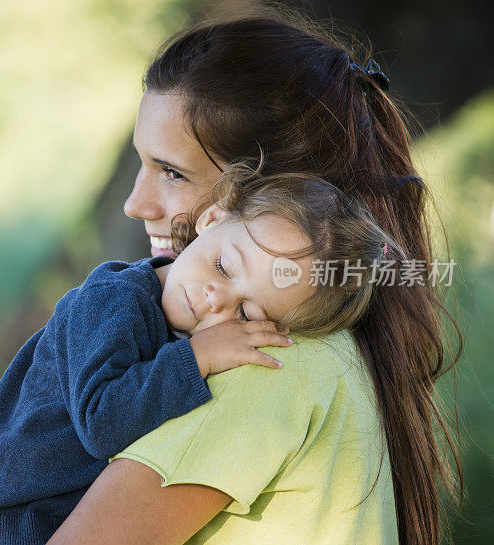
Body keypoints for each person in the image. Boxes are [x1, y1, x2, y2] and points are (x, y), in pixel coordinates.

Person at [47, 14, 462, 545]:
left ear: (257, 194)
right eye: (142, 163)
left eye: (172, 172)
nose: (135, 204)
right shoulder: (318, 341)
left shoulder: (260, 361)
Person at [0, 158, 401, 545]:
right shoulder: (112, 302)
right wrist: (197, 358)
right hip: (13, 525)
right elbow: (102, 423)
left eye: (246, 312)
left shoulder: (181, 321)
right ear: (210, 220)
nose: (214, 300)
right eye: (224, 266)